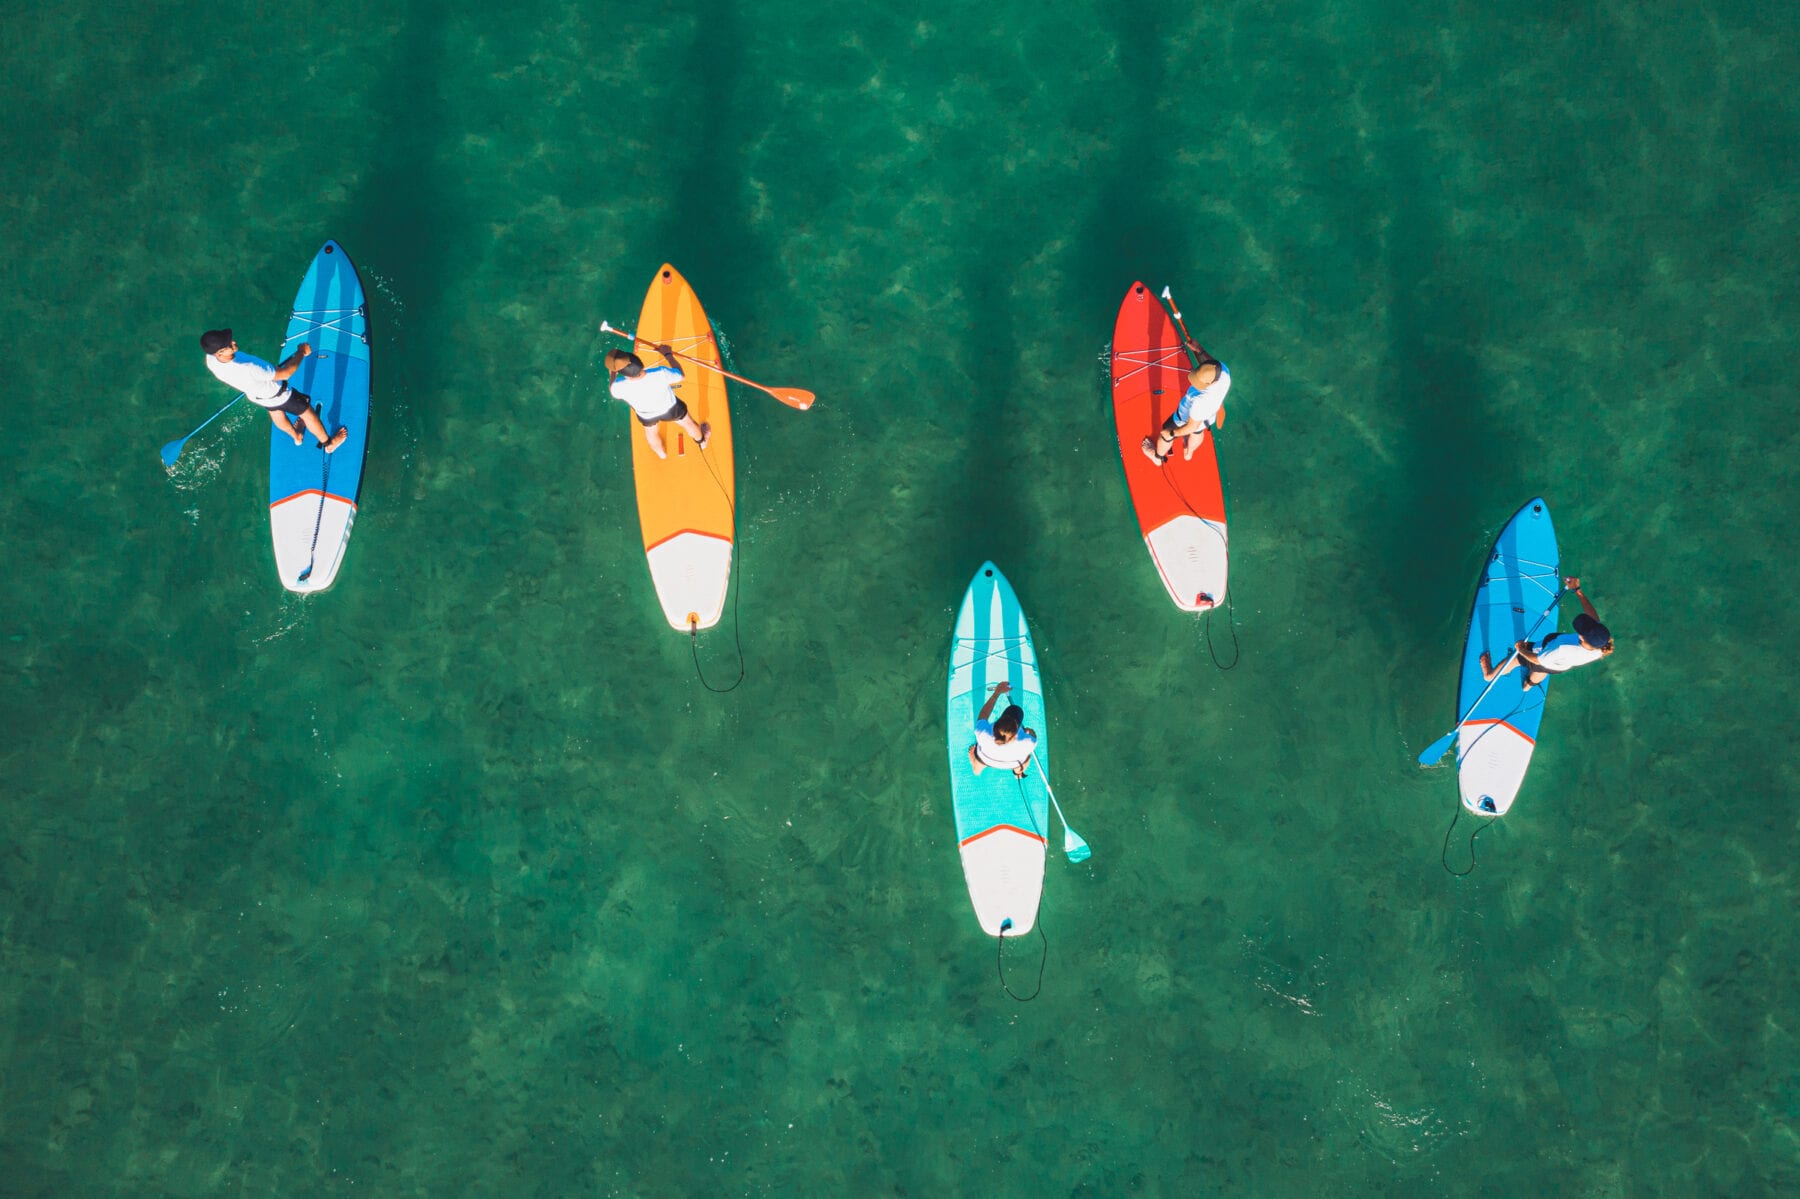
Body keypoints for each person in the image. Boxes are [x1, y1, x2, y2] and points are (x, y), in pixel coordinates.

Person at [199, 329, 347, 452]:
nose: (233, 342)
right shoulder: (250, 366)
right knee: (308, 413)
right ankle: (329, 444)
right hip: (280, 394)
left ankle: (297, 436)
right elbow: (286, 373)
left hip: (257, 396)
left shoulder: (211, 360)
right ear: (219, 352)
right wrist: (301, 352)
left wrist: (268, 371)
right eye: (228, 344)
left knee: (276, 413)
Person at [1481, 577, 1614, 690]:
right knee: (1543, 668)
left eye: (1582, 631)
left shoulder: (1562, 648)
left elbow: (1537, 659)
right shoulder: (1601, 645)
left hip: (1545, 655)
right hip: (1559, 665)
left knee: (1517, 659)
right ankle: (1527, 685)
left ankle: (1490, 675)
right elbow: (1593, 617)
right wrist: (1577, 590)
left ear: (1582, 638)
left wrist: (1521, 650)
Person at [604, 341, 711, 460]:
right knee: (688, 423)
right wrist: (668, 355)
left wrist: (613, 373)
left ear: (626, 375)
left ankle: (662, 454)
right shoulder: (660, 373)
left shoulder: (618, 386)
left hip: (646, 415)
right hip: (670, 408)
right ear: (640, 363)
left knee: (651, 433)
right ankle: (702, 441)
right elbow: (681, 375)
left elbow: (612, 387)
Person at [1143, 339, 1231, 466]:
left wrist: (1171, 433)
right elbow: (1211, 364)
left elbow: (1191, 426)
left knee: (1166, 431)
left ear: (1210, 383)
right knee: (1198, 431)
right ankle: (1189, 452)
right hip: (1210, 416)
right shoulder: (1223, 372)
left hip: (1186, 418)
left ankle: (1157, 457)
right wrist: (1199, 350)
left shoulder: (1201, 401)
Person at [966, 681, 1038, 778]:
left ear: (999, 720)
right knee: (1027, 756)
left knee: (978, 764)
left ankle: (976, 768)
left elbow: (984, 714)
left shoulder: (983, 732)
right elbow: (1033, 735)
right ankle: (1018, 773)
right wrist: (1028, 731)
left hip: (986, 759)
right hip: (1012, 763)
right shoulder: (1028, 741)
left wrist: (997, 693)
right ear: (1017, 729)